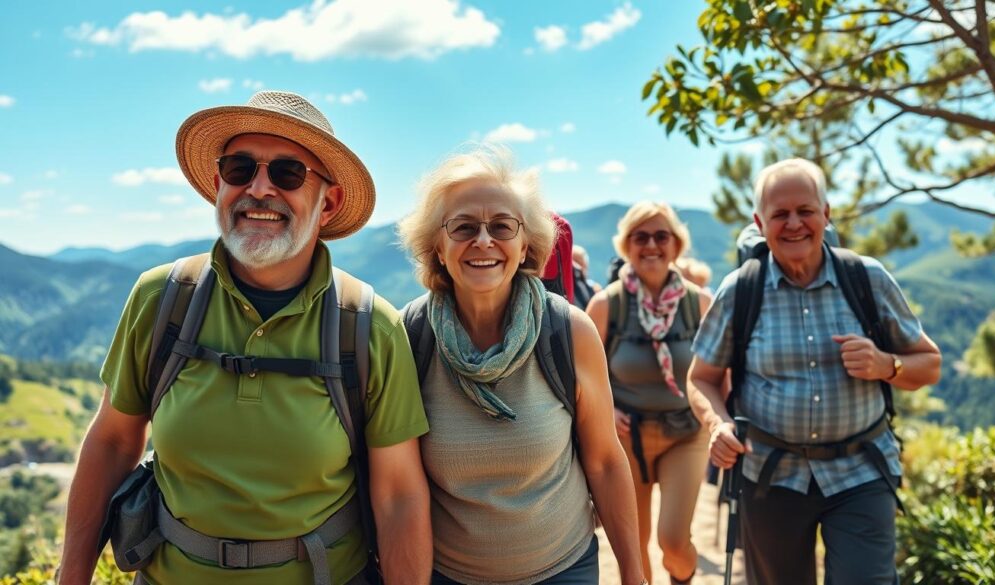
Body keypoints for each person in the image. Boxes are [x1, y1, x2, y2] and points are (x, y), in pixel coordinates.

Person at [58, 91, 432, 585]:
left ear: (329, 202)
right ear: (218, 185)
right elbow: (111, 441)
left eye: (287, 174)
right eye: (239, 169)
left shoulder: (368, 327)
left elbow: (399, 495)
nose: (259, 188)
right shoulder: (163, 300)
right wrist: (71, 576)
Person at [396, 147, 646, 585]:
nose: (484, 241)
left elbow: (606, 462)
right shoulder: (410, 336)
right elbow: (397, 487)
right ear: (436, 245)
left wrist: (634, 574)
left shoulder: (569, 332)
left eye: (502, 226)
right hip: (448, 574)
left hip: (563, 568)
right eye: (463, 227)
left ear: (526, 243)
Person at [687, 158, 942, 585]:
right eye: (779, 214)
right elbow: (701, 378)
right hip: (770, 474)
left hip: (861, 470)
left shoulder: (867, 279)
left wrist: (887, 364)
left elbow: (929, 363)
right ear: (759, 222)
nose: (794, 224)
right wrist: (717, 424)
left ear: (826, 213)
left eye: (805, 211)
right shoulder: (740, 291)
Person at [585, 202, 712, 585]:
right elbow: (584, 380)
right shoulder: (607, 305)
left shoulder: (700, 304)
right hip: (625, 441)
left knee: (673, 541)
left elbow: (719, 373)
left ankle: (682, 578)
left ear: (677, 245)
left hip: (686, 435)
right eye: (641, 237)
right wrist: (606, 415)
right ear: (627, 245)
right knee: (632, 552)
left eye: (662, 236)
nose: (652, 245)